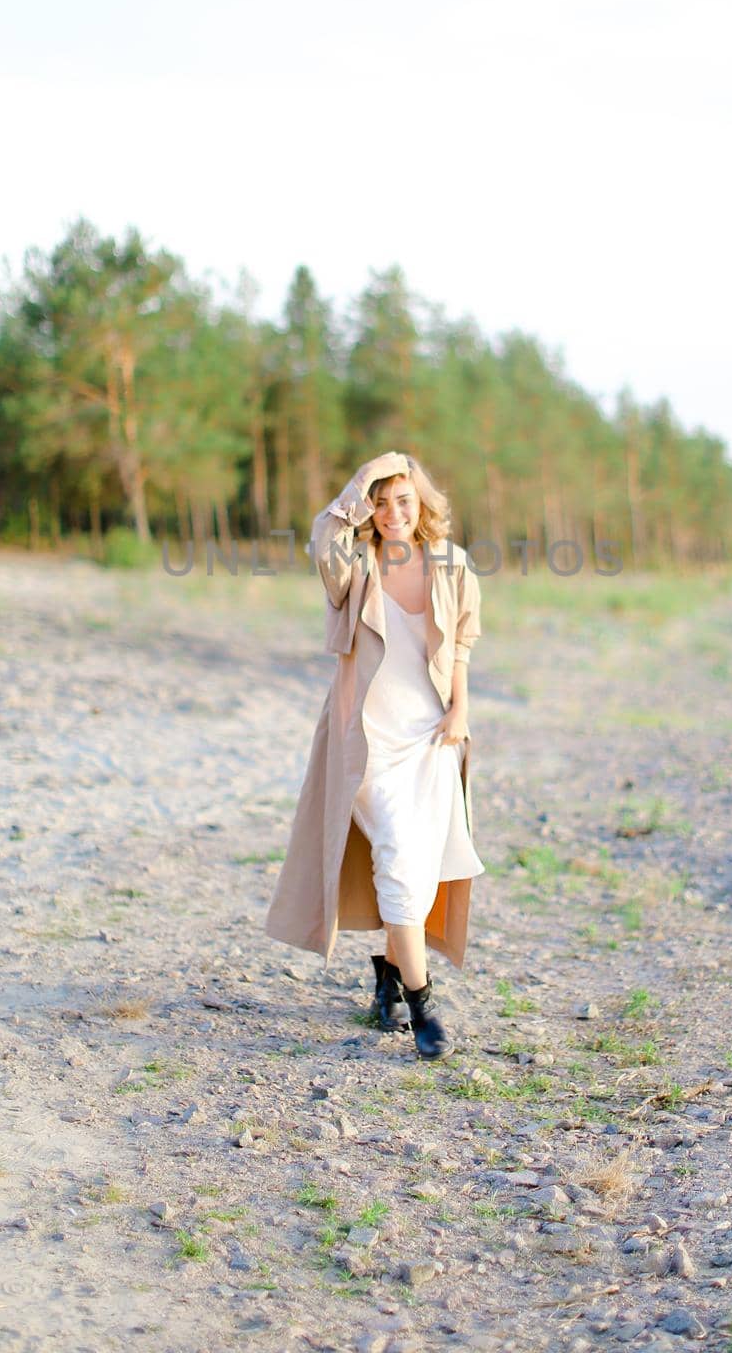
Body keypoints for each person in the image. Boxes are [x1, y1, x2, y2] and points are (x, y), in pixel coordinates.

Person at [264, 450, 485, 1060]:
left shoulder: (452, 565)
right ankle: (424, 1007)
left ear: (423, 503)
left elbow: (461, 643)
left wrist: (460, 711)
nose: (392, 513)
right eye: (381, 502)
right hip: (369, 741)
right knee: (394, 857)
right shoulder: (354, 563)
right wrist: (367, 474)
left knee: (415, 864)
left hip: (431, 738)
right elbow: (323, 537)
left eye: (404, 500)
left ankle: (386, 983)